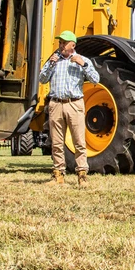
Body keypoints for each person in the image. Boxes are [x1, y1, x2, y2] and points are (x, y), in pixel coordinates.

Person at [39, 31, 99, 186]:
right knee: (57, 142)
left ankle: (82, 175)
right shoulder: (54, 60)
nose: (60, 45)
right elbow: (42, 79)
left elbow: (95, 79)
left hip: (74, 104)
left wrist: (83, 65)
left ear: (73, 45)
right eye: (60, 42)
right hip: (56, 103)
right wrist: (50, 63)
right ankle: (58, 175)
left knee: (79, 140)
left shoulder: (83, 60)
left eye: (64, 43)